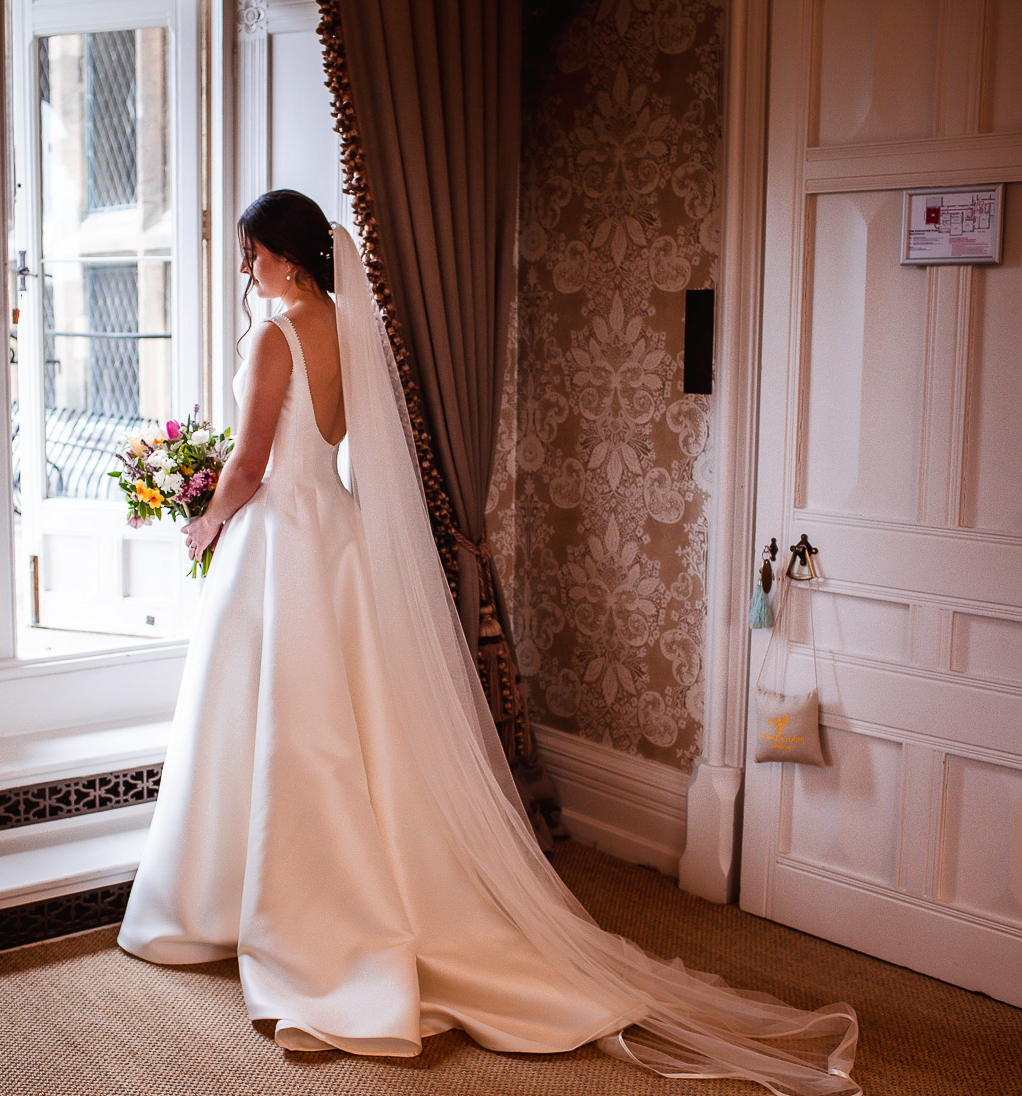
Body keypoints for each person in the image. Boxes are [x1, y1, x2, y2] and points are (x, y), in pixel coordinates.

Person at [117, 189, 861, 1096]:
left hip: (284, 541)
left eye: (252, 255)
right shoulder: (353, 329)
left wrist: (205, 524)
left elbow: (251, 461)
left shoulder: (278, 335)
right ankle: (319, 885)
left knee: (285, 726)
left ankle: (275, 906)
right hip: (339, 541)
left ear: (287, 258)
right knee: (342, 729)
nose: (246, 270)